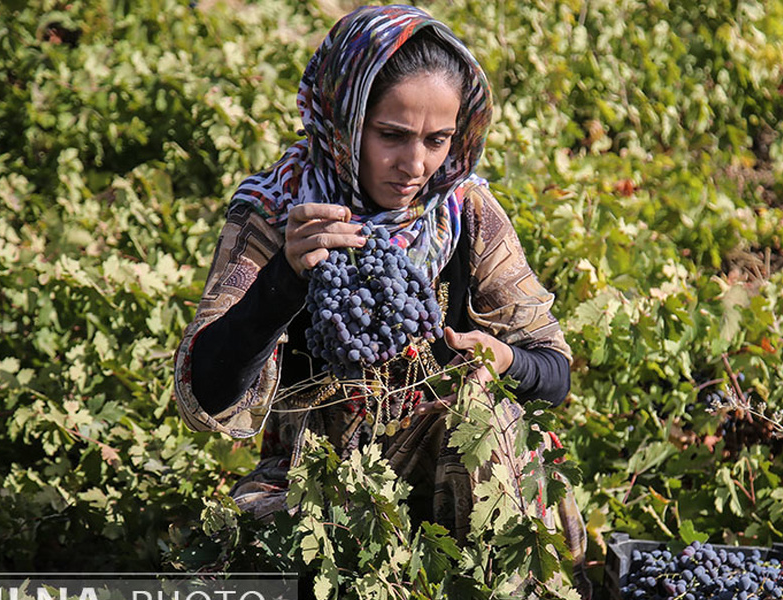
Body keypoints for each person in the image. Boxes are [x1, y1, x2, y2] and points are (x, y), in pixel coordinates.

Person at [173, 5, 584, 568]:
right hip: (309, 476)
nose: (415, 165)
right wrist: (282, 283)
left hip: (445, 475)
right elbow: (205, 393)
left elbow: (555, 371)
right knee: (243, 585)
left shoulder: (463, 212)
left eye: (437, 139)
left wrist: (505, 359)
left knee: (490, 423)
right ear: (346, 121)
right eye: (391, 135)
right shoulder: (279, 215)